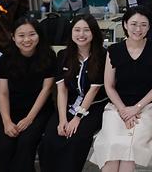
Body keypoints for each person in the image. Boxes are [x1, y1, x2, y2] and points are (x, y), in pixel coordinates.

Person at [90, 6, 152, 171]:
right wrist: (124, 109)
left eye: (143, 25)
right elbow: (109, 86)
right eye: (133, 24)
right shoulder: (113, 51)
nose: (138, 29)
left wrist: (136, 108)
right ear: (125, 24)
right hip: (117, 107)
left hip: (148, 107)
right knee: (112, 145)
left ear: (149, 27)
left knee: (130, 147)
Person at [38, 15, 107, 172]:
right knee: (50, 138)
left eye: (86, 30)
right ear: (71, 32)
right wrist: (62, 119)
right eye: (77, 30)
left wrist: (77, 118)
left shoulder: (103, 55)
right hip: (68, 104)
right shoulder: (63, 55)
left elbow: (94, 89)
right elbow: (61, 90)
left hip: (93, 107)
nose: (81, 34)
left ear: (94, 33)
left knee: (76, 139)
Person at [0, 17, 56, 172]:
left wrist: (29, 118)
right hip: (9, 109)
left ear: (38, 35)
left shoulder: (48, 56)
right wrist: (7, 121)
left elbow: (46, 89)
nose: (27, 40)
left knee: (26, 142)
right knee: (4, 145)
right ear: (13, 37)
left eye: (32, 34)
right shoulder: (4, 59)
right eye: (21, 35)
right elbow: (2, 93)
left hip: (38, 110)